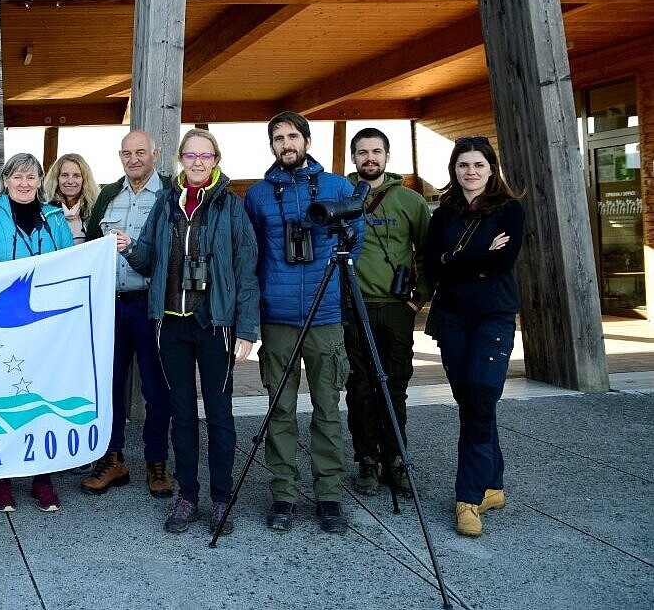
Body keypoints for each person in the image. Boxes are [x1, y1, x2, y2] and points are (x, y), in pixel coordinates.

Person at [115, 129, 259, 535]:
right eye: (190, 155)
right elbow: (146, 260)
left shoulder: (231, 206)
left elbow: (246, 271)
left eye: (205, 155)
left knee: (219, 413)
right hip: (172, 325)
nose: (197, 161)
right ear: (180, 159)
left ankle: (220, 498)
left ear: (215, 159)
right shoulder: (165, 204)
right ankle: (187, 495)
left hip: (215, 324)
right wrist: (128, 247)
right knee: (181, 414)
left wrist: (246, 328)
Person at [244, 111, 362, 534]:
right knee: (280, 409)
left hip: (325, 315)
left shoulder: (337, 188)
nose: (286, 143)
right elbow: (251, 255)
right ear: (271, 145)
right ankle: (284, 493)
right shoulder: (257, 196)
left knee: (328, 409)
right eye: (278, 138)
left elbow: (356, 242)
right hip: (277, 318)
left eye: (293, 136)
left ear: (307, 141)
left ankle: (329, 494)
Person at [423, 136, 524, 538]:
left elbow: (504, 260)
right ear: (455, 169)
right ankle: (493, 486)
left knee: (480, 399)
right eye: (463, 165)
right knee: (471, 400)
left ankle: (468, 497)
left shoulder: (509, 210)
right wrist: (472, 259)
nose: (471, 172)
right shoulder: (444, 212)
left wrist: (456, 260)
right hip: (452, 318)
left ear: (491, 168)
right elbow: (433, 263)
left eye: (478, 165)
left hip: (493, 317)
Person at [0, 152, 74, 513]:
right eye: (17, 177)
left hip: (45, 329)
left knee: (42, 398)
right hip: (5, 326)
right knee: (4, 398)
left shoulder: (54, 218)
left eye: (32, 177)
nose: (25, 183)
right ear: (6, 180)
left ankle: (41, 477)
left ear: (40, 181)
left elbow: (69, 265)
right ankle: (2, 478)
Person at [82, 130, 174, 499]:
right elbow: (90, 247)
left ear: (155, 154)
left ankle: (156, 462)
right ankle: (113, 458)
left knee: (156, 387)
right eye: (126, 153)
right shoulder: (108, 195)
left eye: (140, 152)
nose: (133, 159)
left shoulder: (170, 194)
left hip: (152, 305)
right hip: (111, 305)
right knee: (109, 386)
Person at [342, 128, 433, 497]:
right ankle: (367, 459)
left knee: (394, 387)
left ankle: (396, 458)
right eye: (362, 152)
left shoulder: (411, 201)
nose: (370, 158)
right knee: (359, 388)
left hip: (396, 309)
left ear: (387, 156)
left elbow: (428, 254)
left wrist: (418, 299)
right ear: (353, 158)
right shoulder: (340, 194)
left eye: (376, 151)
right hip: (352, 306)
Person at [44, 153, 100, 245]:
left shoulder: (95, 210)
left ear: (84, 179)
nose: (70, 181)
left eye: (76, 175)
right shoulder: (44, 210)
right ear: (56, 179)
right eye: (65, 175)